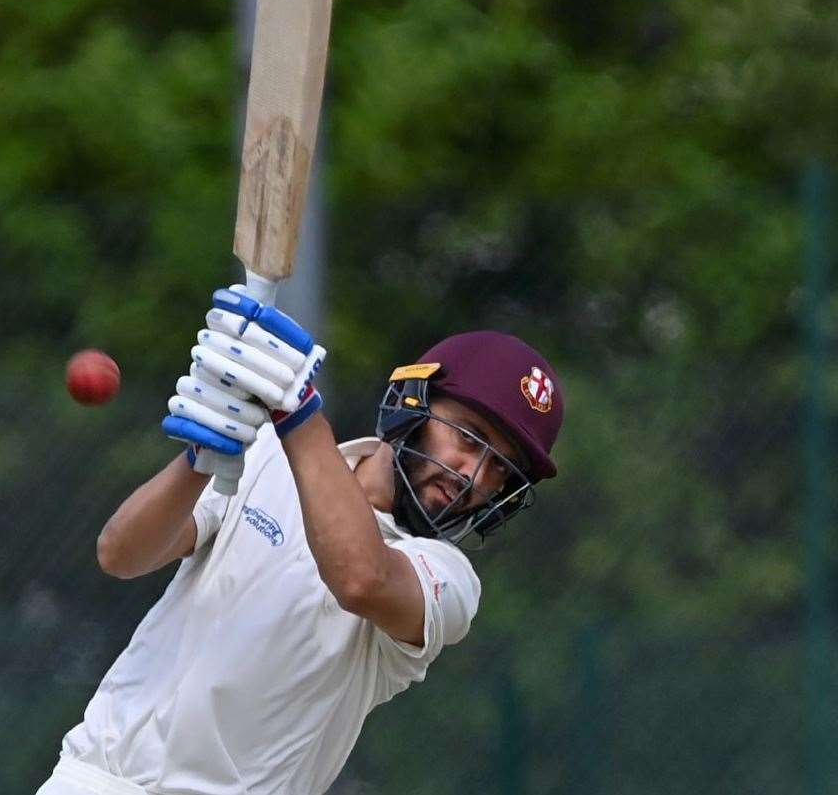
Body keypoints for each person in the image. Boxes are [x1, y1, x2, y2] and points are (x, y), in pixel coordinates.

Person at [36, 285, 564, 795]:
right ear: (412, 401)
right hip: (90, 780)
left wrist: (297, 410)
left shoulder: (447, 581)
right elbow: (121, 554)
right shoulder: (266, 456)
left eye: (501, 469)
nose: (473, 476)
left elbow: (360, 578)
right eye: (468, 438)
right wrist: (203, 453)